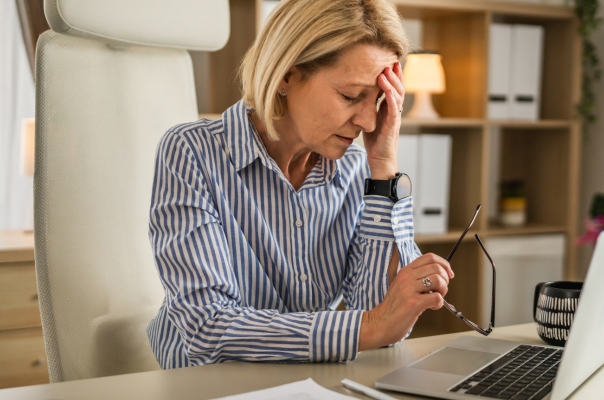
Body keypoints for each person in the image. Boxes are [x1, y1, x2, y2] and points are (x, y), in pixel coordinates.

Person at [146, 0, 454, 369]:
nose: (369, 123)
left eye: (379, 101)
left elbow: (381, 317)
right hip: (205, 382)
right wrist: (371, 327)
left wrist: (384, 169)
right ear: (286, 76)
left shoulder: (356, 171)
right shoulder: (191, 151)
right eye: (351, 96)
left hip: (308, 380)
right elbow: (207, 327)